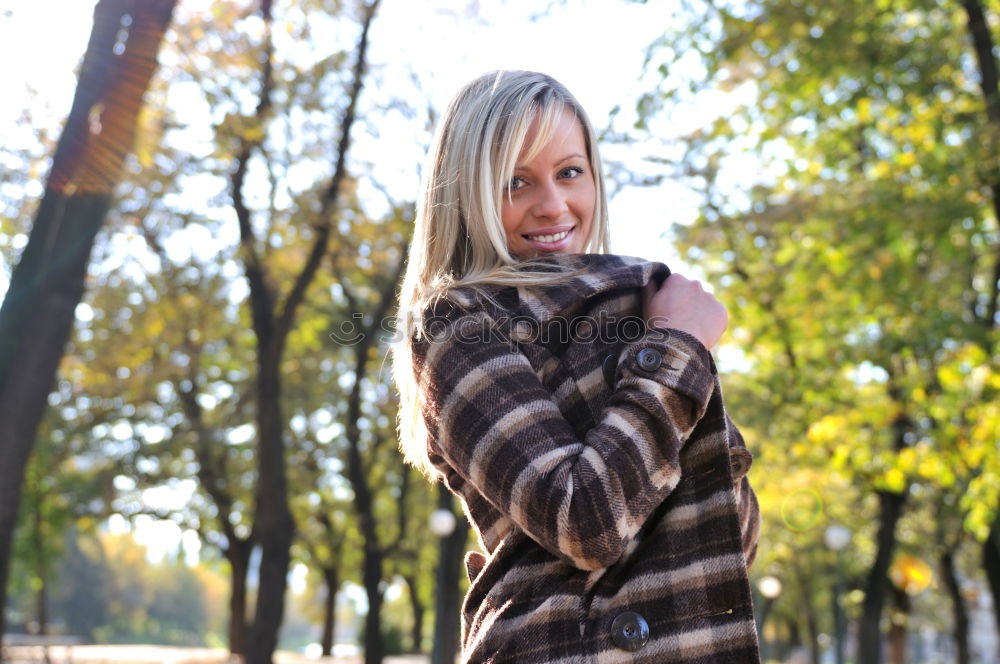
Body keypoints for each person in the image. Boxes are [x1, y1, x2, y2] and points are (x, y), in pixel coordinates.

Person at [392, 70, 761, 663]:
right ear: (468, 194)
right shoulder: (455, 324)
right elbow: (584, 522)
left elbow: (729, 544)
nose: (553, 205)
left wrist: (675, 353)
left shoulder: (635, 306)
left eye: (569, 172)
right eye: (516, 182)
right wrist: (677, 348)